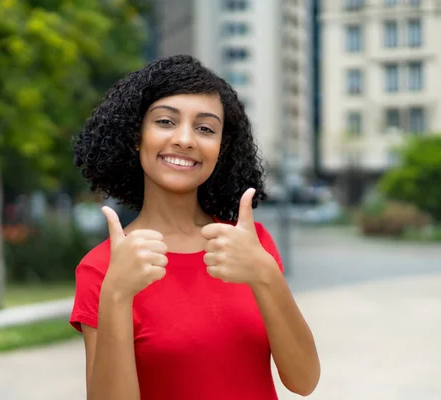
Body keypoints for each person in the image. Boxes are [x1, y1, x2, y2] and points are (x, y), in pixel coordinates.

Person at [69, 55, 320, 400]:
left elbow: (304, 381)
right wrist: (116, 294)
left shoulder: (250, 246)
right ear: (135, 137)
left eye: (205, 128)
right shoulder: (102, 267)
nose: (185, 139)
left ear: (221, 149)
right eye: (166, 122)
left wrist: (264, 273)